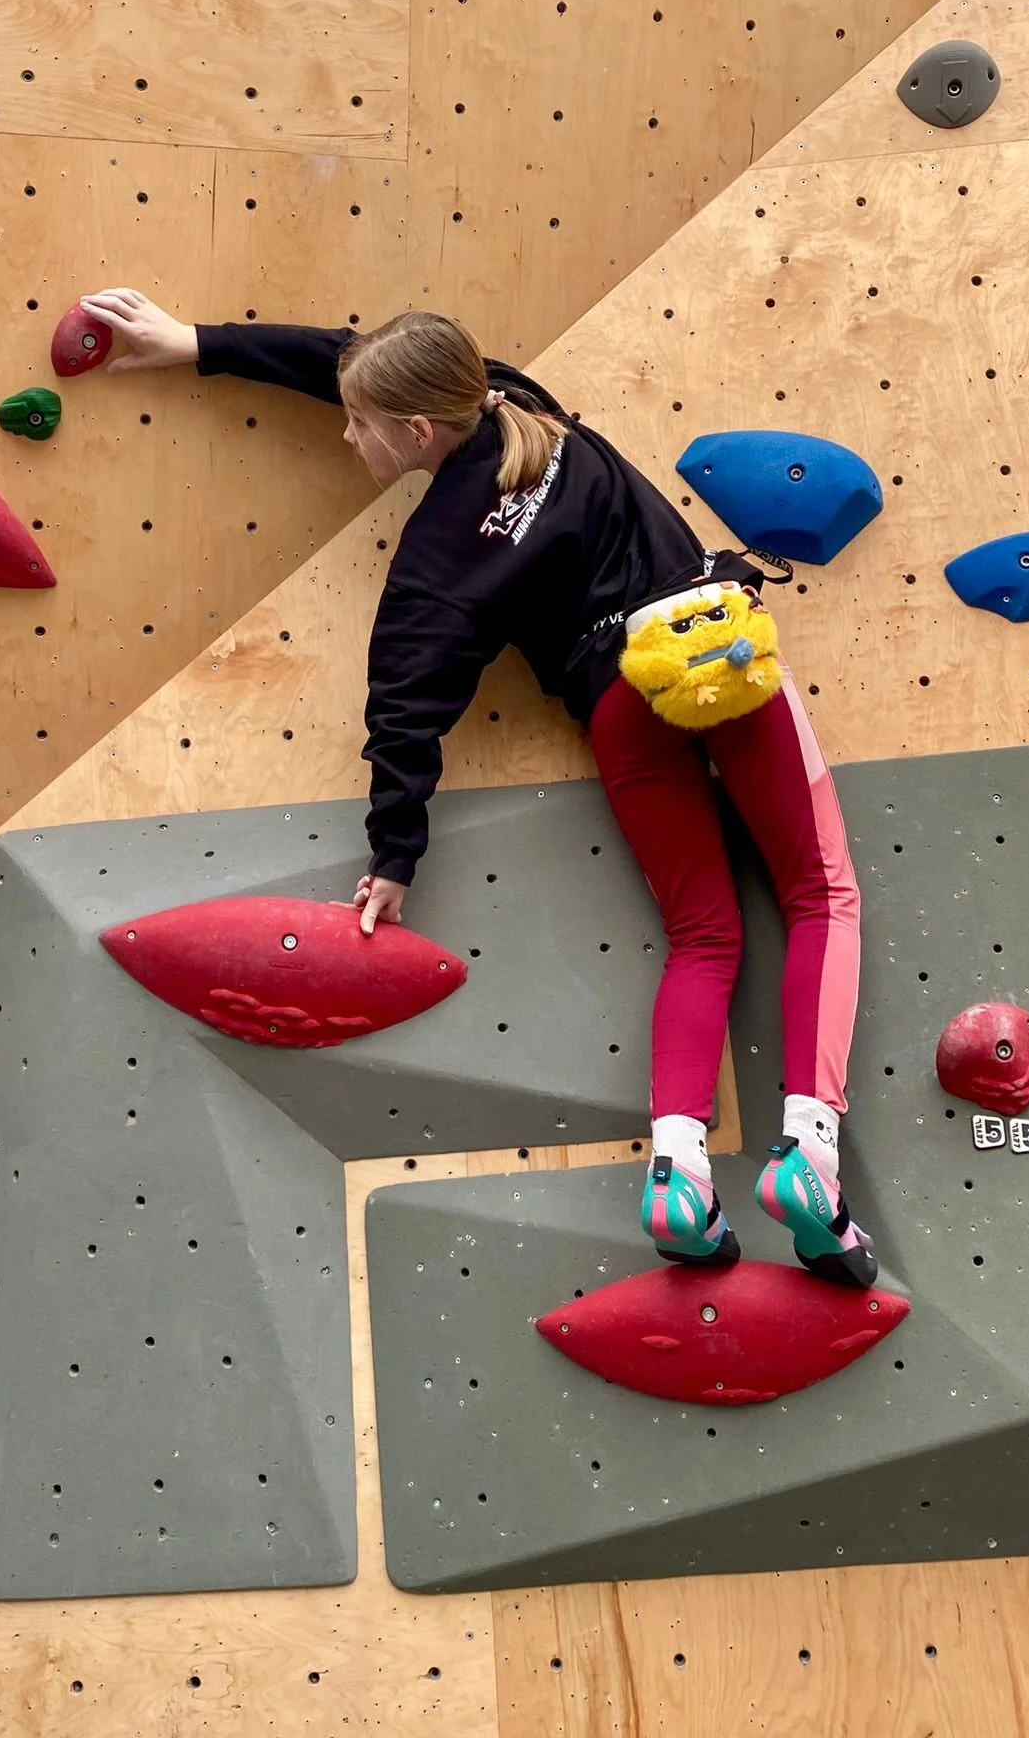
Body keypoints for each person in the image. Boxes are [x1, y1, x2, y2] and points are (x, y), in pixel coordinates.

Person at [79, 289, 875, 1289]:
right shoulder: (508, 395)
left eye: (359, 422)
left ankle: (678, 1176)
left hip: (623, 701)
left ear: (417, 430)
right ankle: (809, 1151)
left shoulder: (442, 554)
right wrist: (193, 344)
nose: (346, 430)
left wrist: (395, 852)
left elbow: (403, 707)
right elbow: (350, 350)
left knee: (706, 935)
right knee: (819, 895)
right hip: (718, 646)